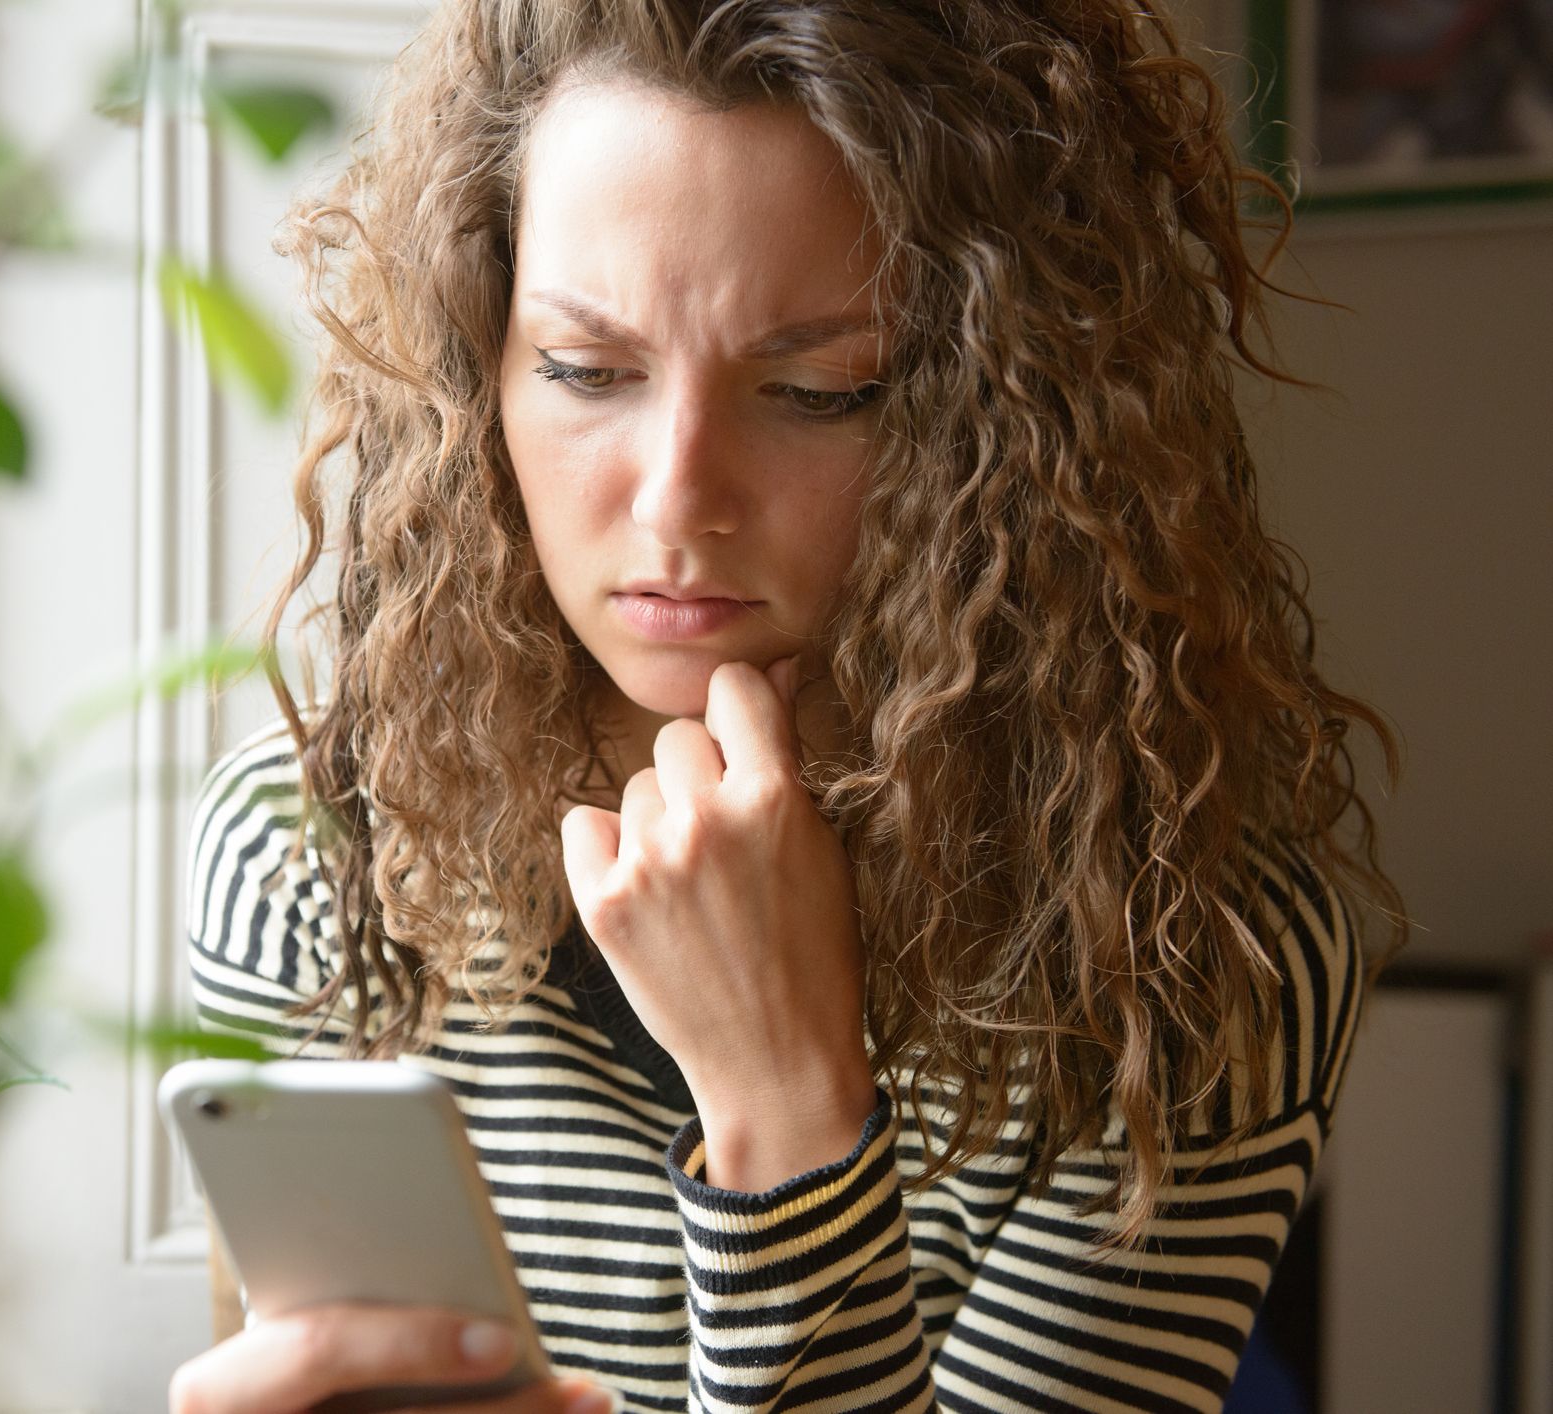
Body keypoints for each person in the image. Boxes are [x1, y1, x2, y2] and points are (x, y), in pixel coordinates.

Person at [169, 0, 1410, 1410]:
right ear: (479, 367)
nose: (680, 494)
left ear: (992, 410)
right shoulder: (310, 851)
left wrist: (787, 1113)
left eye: (824, 390)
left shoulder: (1188, 958)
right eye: (587, 370)